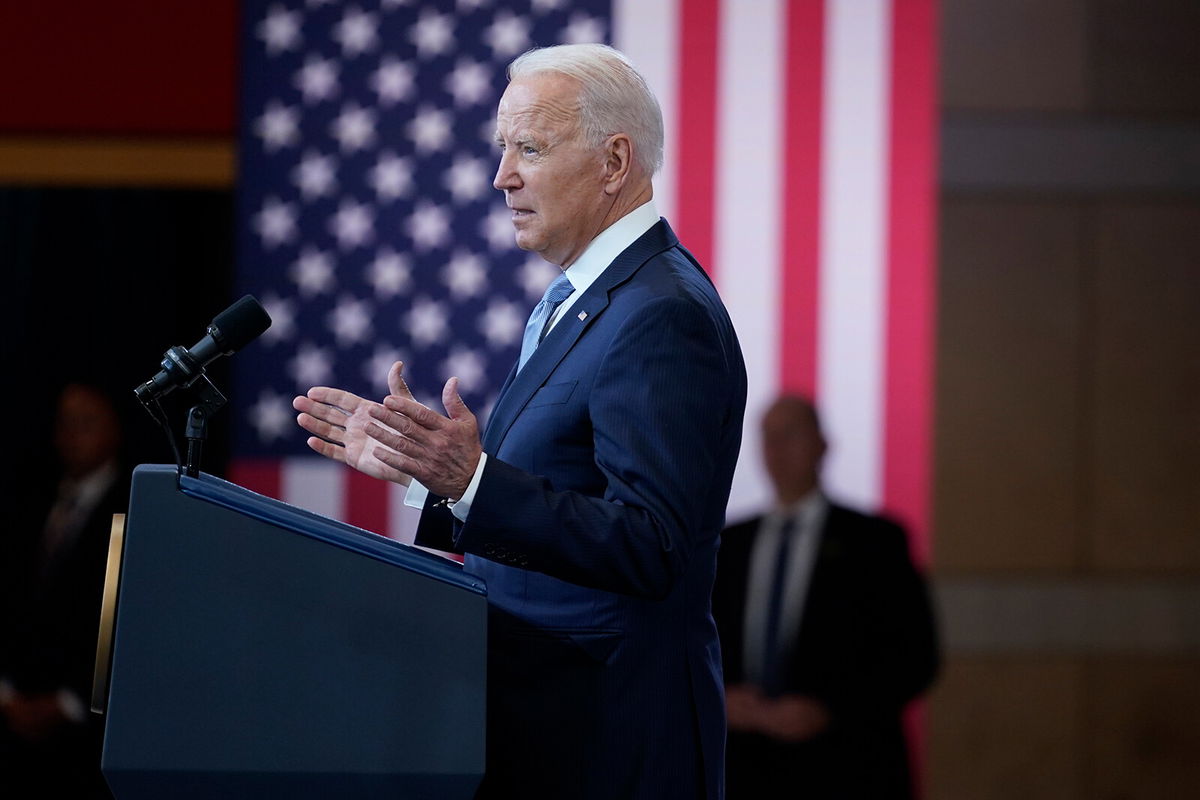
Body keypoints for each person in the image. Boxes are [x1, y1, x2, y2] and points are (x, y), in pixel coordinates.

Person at [293, 44, 746, 800]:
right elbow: (552, 493)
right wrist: (431, 473)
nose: (501, 176)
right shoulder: (585, 300)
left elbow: (652, 546)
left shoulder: (661, 314)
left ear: (614, 162)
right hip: (543, 726)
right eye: (503, 148)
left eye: (528, 148)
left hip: (614, 741)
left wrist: (471, 481)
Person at [712, 395, 940, 799]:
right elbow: (700, 644)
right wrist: (720, 697)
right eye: (768, 437)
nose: (778, 449)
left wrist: (832, 710)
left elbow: (916, 657)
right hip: (744, 767)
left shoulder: (877, 542)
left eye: (791, 434)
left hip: (849, 766)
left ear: (822, 443)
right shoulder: (727, 545)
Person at [1, 382, 128, 799]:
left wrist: (71, 703)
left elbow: (122, 621)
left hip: (89, 728)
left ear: (114, 430)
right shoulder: (28, 500)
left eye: (86, 423)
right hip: (14, 712)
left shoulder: (133, 508)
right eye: (65, 424)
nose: (72, 435)